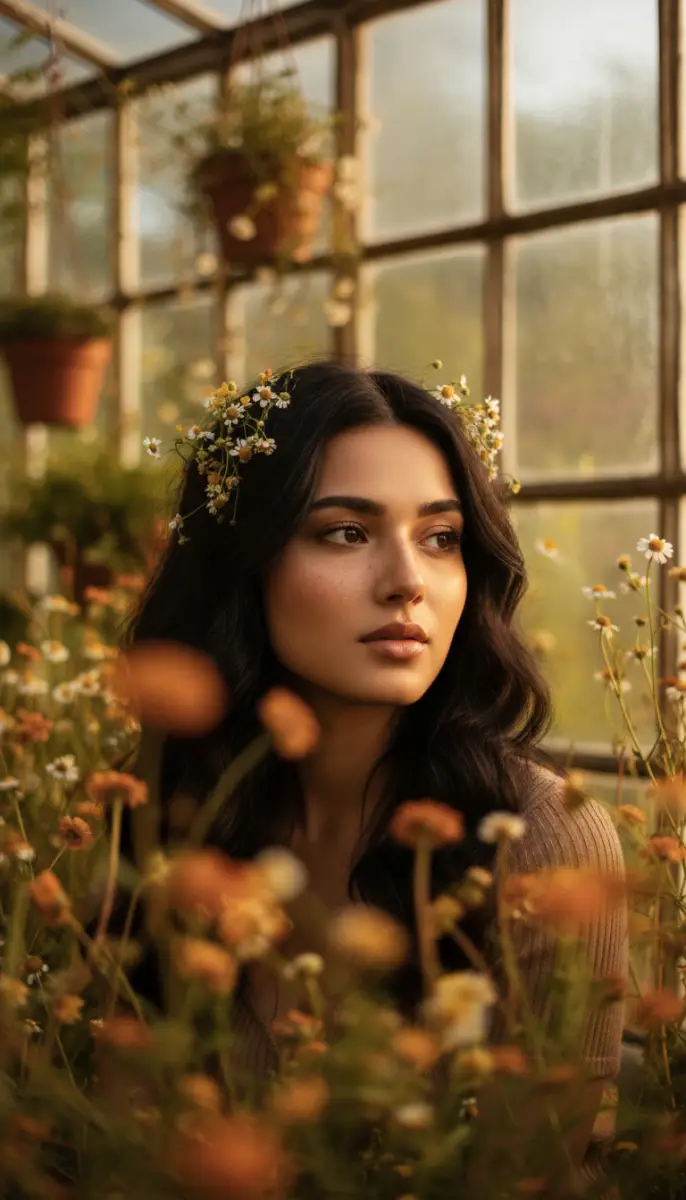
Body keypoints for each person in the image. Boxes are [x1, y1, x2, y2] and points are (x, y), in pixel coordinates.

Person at [125, 359, 628, 1167]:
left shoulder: (541, 844)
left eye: (441, 538)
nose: (406, 584)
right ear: (244, 566)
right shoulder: (168, 810)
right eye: (346, 533)